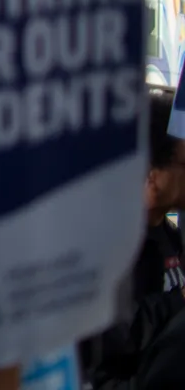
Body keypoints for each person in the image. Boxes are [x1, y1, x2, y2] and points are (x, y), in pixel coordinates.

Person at [80, 91, 185, 389]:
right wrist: (179, 300)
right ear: (153, 174)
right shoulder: (109, 242)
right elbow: (111, 338)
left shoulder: (170, 236)